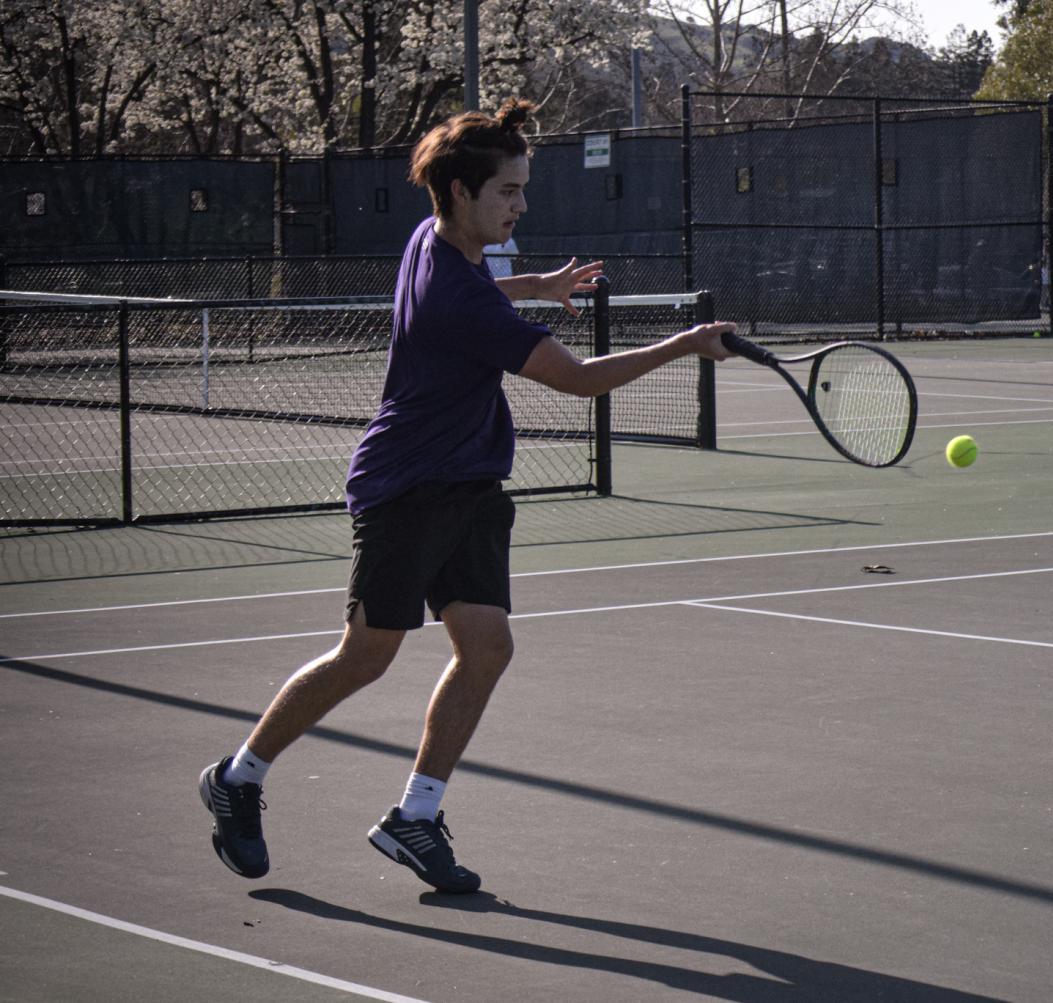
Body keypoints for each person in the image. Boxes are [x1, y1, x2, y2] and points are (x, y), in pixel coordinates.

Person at [198, 99, 734, 894]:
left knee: (485, 647)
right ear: (457, 190)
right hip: (408, 489)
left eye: (521, 188)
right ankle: (237, 777)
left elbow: (481, 286)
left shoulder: (435, 243)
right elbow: (581, 381)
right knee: (365, 656)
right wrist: (686, 342)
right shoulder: (463, 296)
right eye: (507, 191)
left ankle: (415, 814)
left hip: (472, 486)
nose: (521, 204)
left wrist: (533, 282)